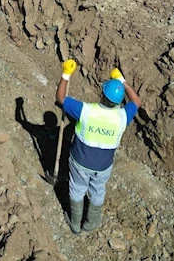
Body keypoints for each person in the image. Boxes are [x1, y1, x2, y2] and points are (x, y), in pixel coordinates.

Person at [55, 60, 141, 234]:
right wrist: (122, 81)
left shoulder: (86, 111)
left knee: (78, 189)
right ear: (118, 101)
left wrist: (66, 75)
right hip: (103, 166)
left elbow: (61, 98)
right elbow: (137, 101)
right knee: (97, 191)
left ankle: (75, 223)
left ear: (102, 94)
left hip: (80, 162)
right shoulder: (123, 116)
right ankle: (91, 223)